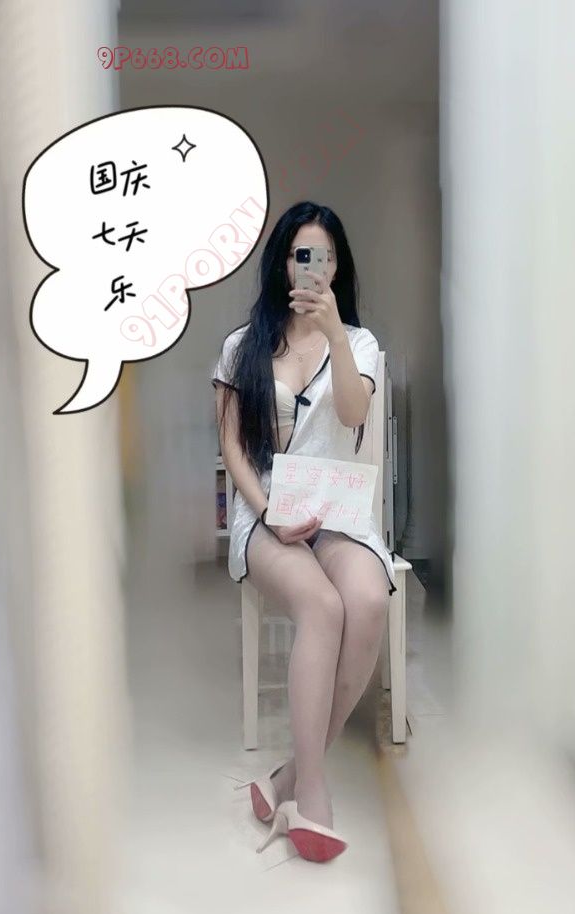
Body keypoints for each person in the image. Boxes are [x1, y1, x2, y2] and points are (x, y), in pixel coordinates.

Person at [212, 201, 396, 862]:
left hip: (338, 509)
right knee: (321, 606)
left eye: (324, 256)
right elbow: (233, 448)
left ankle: (289, 775)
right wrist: (268, 511)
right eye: (300, 255)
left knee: (366, 600)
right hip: (266, 510)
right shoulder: (242, 346)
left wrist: (336, 337)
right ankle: (312, 793)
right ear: (282, 263)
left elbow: (350, 414)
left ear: (337, 267)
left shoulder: (360, 344)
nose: (311, 267)